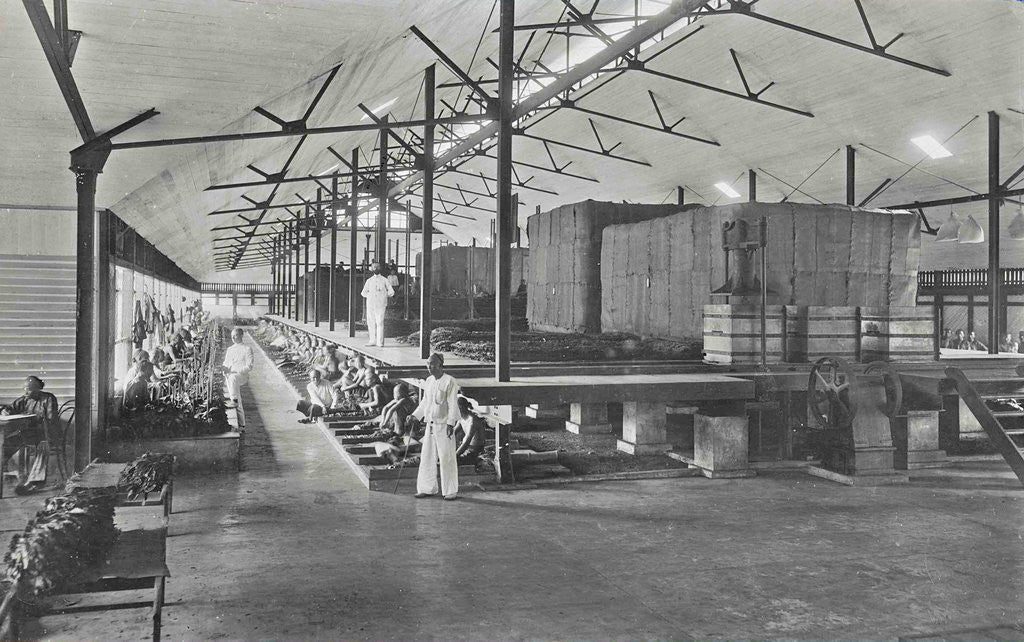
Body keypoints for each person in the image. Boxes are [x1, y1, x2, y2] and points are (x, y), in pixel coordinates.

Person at [412, 353, 461, 500]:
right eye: (428, 363)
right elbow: (425, 403)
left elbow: (453, 404)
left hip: (444, 425)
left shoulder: (450, 381)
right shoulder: (429, 381)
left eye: (432, 364)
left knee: (447, 457)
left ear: (441, 365)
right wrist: (415, 415)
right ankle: (427, 488)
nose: (429, 366)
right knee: (427, 456)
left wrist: (451, 424)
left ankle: (450, 491)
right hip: (431, 425)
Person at [2, 376, 60, 495]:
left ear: (37, 388)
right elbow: (10, 409)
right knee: (5, 445)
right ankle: (7, 473)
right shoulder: (24, 399)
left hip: (45, 433)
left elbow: (51, 420)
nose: (26, 391)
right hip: (27, 434)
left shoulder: (48, 398)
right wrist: (5, 411)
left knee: (43, 445)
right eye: (24, 389)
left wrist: (35, 420)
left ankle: (35, 482)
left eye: (28, 389)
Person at [222, 328, 254, 430]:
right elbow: (226, 363)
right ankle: (242, 424)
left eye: (235, 335)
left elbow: (249, 366)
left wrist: (237, 371)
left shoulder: (247, 349)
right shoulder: (230, 349)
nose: (233, 337)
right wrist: (224, 369)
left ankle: (234, 400)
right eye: (232, 336)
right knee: (236, 394)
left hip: (242, 375)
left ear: (241, 336)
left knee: (233, 378)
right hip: (231, 376)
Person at [361, 261, 394, 347]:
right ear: (371, 269)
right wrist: (370, 296)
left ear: (380, 268)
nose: (376, 268)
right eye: (374, 267)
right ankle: (372, 341)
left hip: (380, 304)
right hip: (371, 304)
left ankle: (380, 342)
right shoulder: (369, 281)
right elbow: (363, 293)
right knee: (371, 322)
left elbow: (391, 292)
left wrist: (383, 295)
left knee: (380, 322)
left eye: (377, 267)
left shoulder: (384, 280)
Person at [455, 397, 486, 466]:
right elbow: (453, 433)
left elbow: (466, 443)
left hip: (475, 451)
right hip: (468, 448)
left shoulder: (473, 421)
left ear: (460, 408)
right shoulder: (461, 417)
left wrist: (454, 457)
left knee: (451, 462)